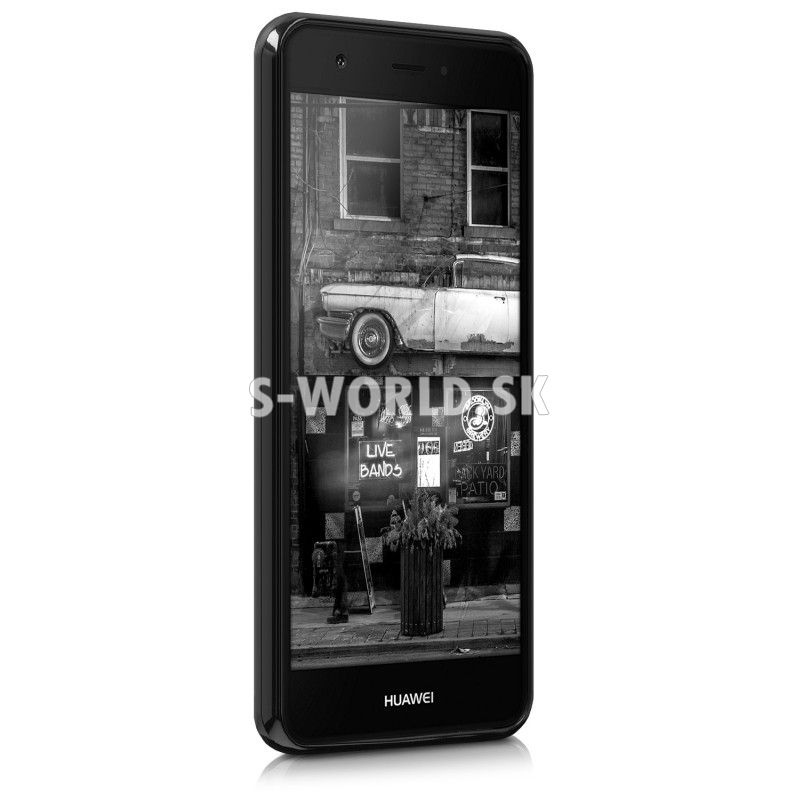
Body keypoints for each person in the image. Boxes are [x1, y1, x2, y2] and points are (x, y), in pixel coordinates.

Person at [326, 543, 349, 624]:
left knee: (341, 587)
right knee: (340, 587)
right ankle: (340, 612)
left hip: (340, 568)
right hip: (340, 566)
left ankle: (342, 613)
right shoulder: (337, 554)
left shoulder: (337, 554)